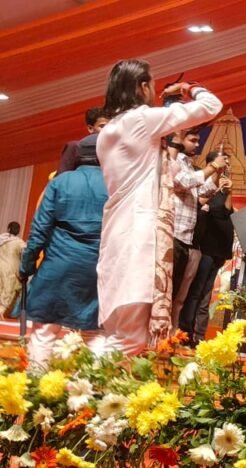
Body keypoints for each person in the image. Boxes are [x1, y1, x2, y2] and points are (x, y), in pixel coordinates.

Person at [96, 59, 223, 356]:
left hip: (116, 231)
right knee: (129, 339)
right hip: (139, 234)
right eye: (151, 85)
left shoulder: (108, 130)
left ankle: (90, 381)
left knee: (117, 332)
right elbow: (211, 105)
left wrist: (168, 107)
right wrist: (189, 88)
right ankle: (85, 383)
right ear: (142, 87)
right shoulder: (140, 120)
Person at [17, 136, 109, 367]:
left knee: (45, 330)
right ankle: (93, 386)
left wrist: (26, 266)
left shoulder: (60, 182)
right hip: (97, 268)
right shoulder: (116, 185)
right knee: (95, 332)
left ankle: (37, 384)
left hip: (58, 264)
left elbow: (40, 229)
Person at [171, 128, 228, 327]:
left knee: (178, 294)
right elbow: (182, 183)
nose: (197, 145)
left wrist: (217, 175)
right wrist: (213, 166)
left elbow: (201, 192)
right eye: (193, 140)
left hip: (186, 237)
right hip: (173, 234)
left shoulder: (188, 164)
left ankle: (172, 334)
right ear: (180, 139)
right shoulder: (173, 160)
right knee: (167, 292)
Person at [180, 150, 235, 345]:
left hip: (219, 249)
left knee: (205, 295)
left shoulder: (223, 188)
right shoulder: (203, 185)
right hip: (204, 247)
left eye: (228, 163)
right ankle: (185, 332)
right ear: (212, 164)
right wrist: (215, 186)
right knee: (195, 292)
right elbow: (199, 204)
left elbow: (227, 211)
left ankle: (199, 335)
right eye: (224, 162)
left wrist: (228, 191)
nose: (226, 166)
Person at [57, 107, 110, 175]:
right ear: (90, 128)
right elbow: (62, 177)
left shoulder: (116, 146)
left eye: (110, 125)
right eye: (102, 126)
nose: (108, 129)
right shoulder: (75, 147)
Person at [0, 222, 27, 319]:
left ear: (8, 229)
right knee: (8, 291)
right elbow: (26, 256)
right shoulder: (20, 243)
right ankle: (2, 311)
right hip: (11, 269)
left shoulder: (1, 238)